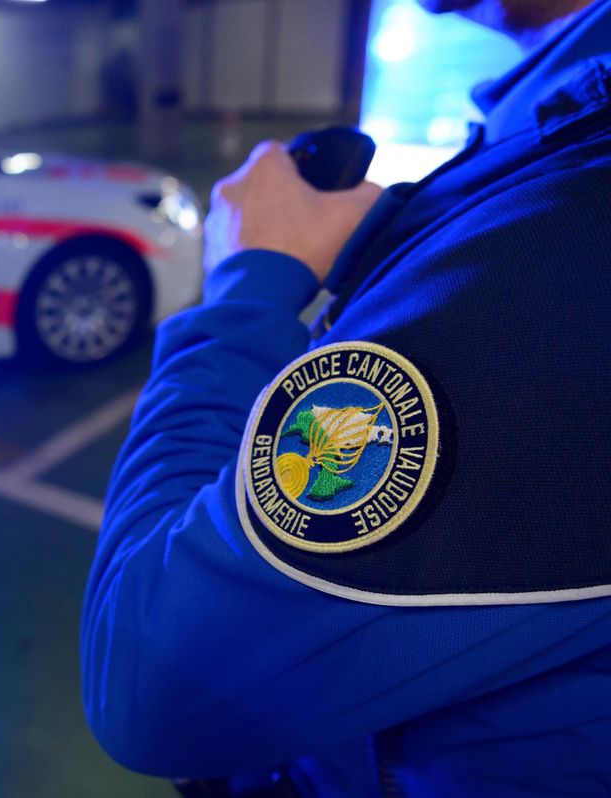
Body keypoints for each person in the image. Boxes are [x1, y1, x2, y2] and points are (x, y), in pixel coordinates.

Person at [81, 1, 611, 796]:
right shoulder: (559, 117)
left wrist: (247, 284)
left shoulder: (581, 215)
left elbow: (147, 679)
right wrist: (405, 241)